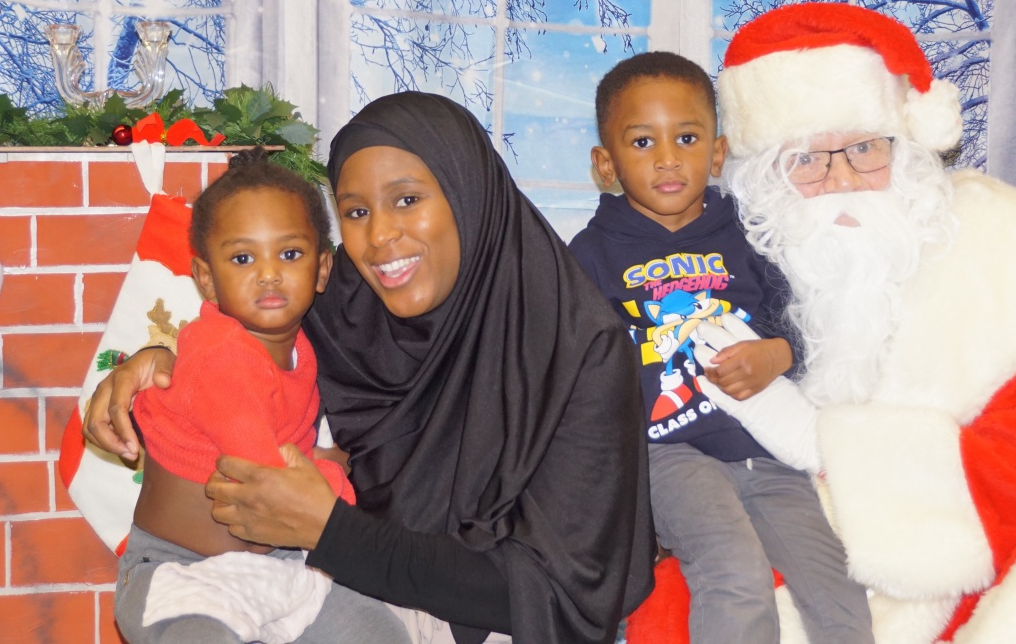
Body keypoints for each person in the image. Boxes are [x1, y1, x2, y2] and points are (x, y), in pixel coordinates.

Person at [694, 2, 1016, 643]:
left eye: (864, 148)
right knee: (681, 592)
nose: (841, 179)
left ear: (909, 149)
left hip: (998, 576)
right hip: (804, 567)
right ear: (765, 179)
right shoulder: (719, 281)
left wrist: (831, 451)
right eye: (806, 159)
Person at [85, 92, 654, 644]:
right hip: (318, 587)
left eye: (407, 200)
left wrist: (332, 531)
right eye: (356, 212)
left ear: (468, 193)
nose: (380, 237)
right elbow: (231, 340)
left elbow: (560, 589)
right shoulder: (342, 309)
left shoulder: (579, 353)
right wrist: (155, 361)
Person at [569, 51, 872, 643]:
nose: (667, 158)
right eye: (642, 142)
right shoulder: (590, 256)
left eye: (686, 138)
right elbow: (577, 374)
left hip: (766, 450)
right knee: (735, 572)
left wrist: (776, 354)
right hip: (670, 454)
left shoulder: (750, 234)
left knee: (837, 586)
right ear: (606, 164)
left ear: (716, 153)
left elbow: (796, 321)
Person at [114, 149, 410, 644]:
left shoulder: (304, 349)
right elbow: (265, 488)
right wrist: (334, 475)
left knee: (379, 633)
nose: (269, 273)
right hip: (184, 574)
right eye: (243, 258)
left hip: (277, 564)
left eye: (289, 254)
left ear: (322, 269)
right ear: (206, 279)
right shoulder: (222, 355)